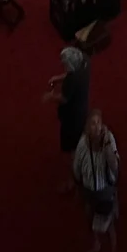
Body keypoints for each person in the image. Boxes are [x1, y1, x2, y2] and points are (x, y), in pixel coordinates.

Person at [72, 109, 119, 252]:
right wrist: (79, 189)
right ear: (86, 129)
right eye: (93, 123)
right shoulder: (83, 145)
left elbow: (116, 168)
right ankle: (95, 244)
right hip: (88, 193)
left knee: (108, 229)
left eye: (99, 123)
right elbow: (76, 169)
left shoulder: (109, 140)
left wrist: (107, 148)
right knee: (89, 220)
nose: (97, 127)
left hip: (105, 194)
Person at [43, 47, 90, 191]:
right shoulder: (85, 66)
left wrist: (50, 97)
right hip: (82, 111)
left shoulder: (72, 80)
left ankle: (73, 179)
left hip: (71, 118)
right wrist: (59, 78)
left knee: (72, 150)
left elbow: (64, 98)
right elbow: (71, 73)